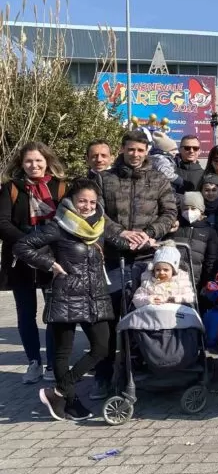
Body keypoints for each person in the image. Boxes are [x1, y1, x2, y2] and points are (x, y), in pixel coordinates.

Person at [15, 179, 127, 421]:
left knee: (102, 347)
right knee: (62, 352)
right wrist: (48, 264)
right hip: (66, 295)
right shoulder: (58, 226)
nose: (87, 206)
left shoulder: (99, 225)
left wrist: (148, 239)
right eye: (82, 201)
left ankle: (58, 391)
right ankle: (69, 402)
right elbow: (22, 247)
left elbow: (121, 240)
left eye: (92, 202)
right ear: (71, 202)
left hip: (96, 295)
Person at [92, 129, 178, 399]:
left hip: (147, 260)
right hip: (114, 260)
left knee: (146, 317)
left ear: (147, 151)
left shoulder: (159, 179)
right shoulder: (105, 179)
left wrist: (150, 233)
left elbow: (170, 213)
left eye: (141, 150)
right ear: (122, 150)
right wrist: (121, 234)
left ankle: (148, 373)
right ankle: (104, 378)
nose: (135, 154)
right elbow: (97, 213)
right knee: (109, 320)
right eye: (131, 149)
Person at [0, 142, 69, 383]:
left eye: (38, 160)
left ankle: (52, 364)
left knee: (53, 314)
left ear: (47, 161)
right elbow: (3, 223)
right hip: (20, 260)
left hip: (54, 259)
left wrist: (43, 242)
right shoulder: (11, 188)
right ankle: (34, 362)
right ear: (21, 164)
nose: (34, 165)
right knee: (25, 313)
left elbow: (67, 221)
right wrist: (29, 242)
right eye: (29, 161)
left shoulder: (60, 187)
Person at [169, 191, 218, 290]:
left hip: (193, 282)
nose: (189, 212)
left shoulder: (209, 232)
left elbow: (211, 260)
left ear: (201, 210)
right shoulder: (175, 226)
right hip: (170, 278)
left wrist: (206, 282)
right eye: (185, 209)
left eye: (193, 208)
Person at [132, 243, 196, 308]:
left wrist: (176, 298)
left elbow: (190, 297)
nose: (161, 272)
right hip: (153, 314)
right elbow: (136, 299)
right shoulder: (148, 283)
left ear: (173, 271)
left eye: (166, 270)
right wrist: (149, 299)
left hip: (175, 314)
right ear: (153, 270)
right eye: (158, 270)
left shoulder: (181, 282)